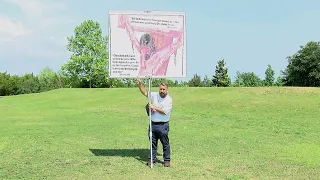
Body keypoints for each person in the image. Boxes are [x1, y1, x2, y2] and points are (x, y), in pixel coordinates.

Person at [136, 78, 173, 167]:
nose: (162, 91)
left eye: (164, 89)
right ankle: (152, 159)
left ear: (167, 90)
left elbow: (164, 111)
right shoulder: (154, 95)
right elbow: (144, 92)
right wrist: (140, 84)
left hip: (163, 125)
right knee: (152, 143)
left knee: (165, 143)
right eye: (160, 89)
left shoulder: (169, 100)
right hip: (153, 124)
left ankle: (167, 160)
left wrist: (154, 107)